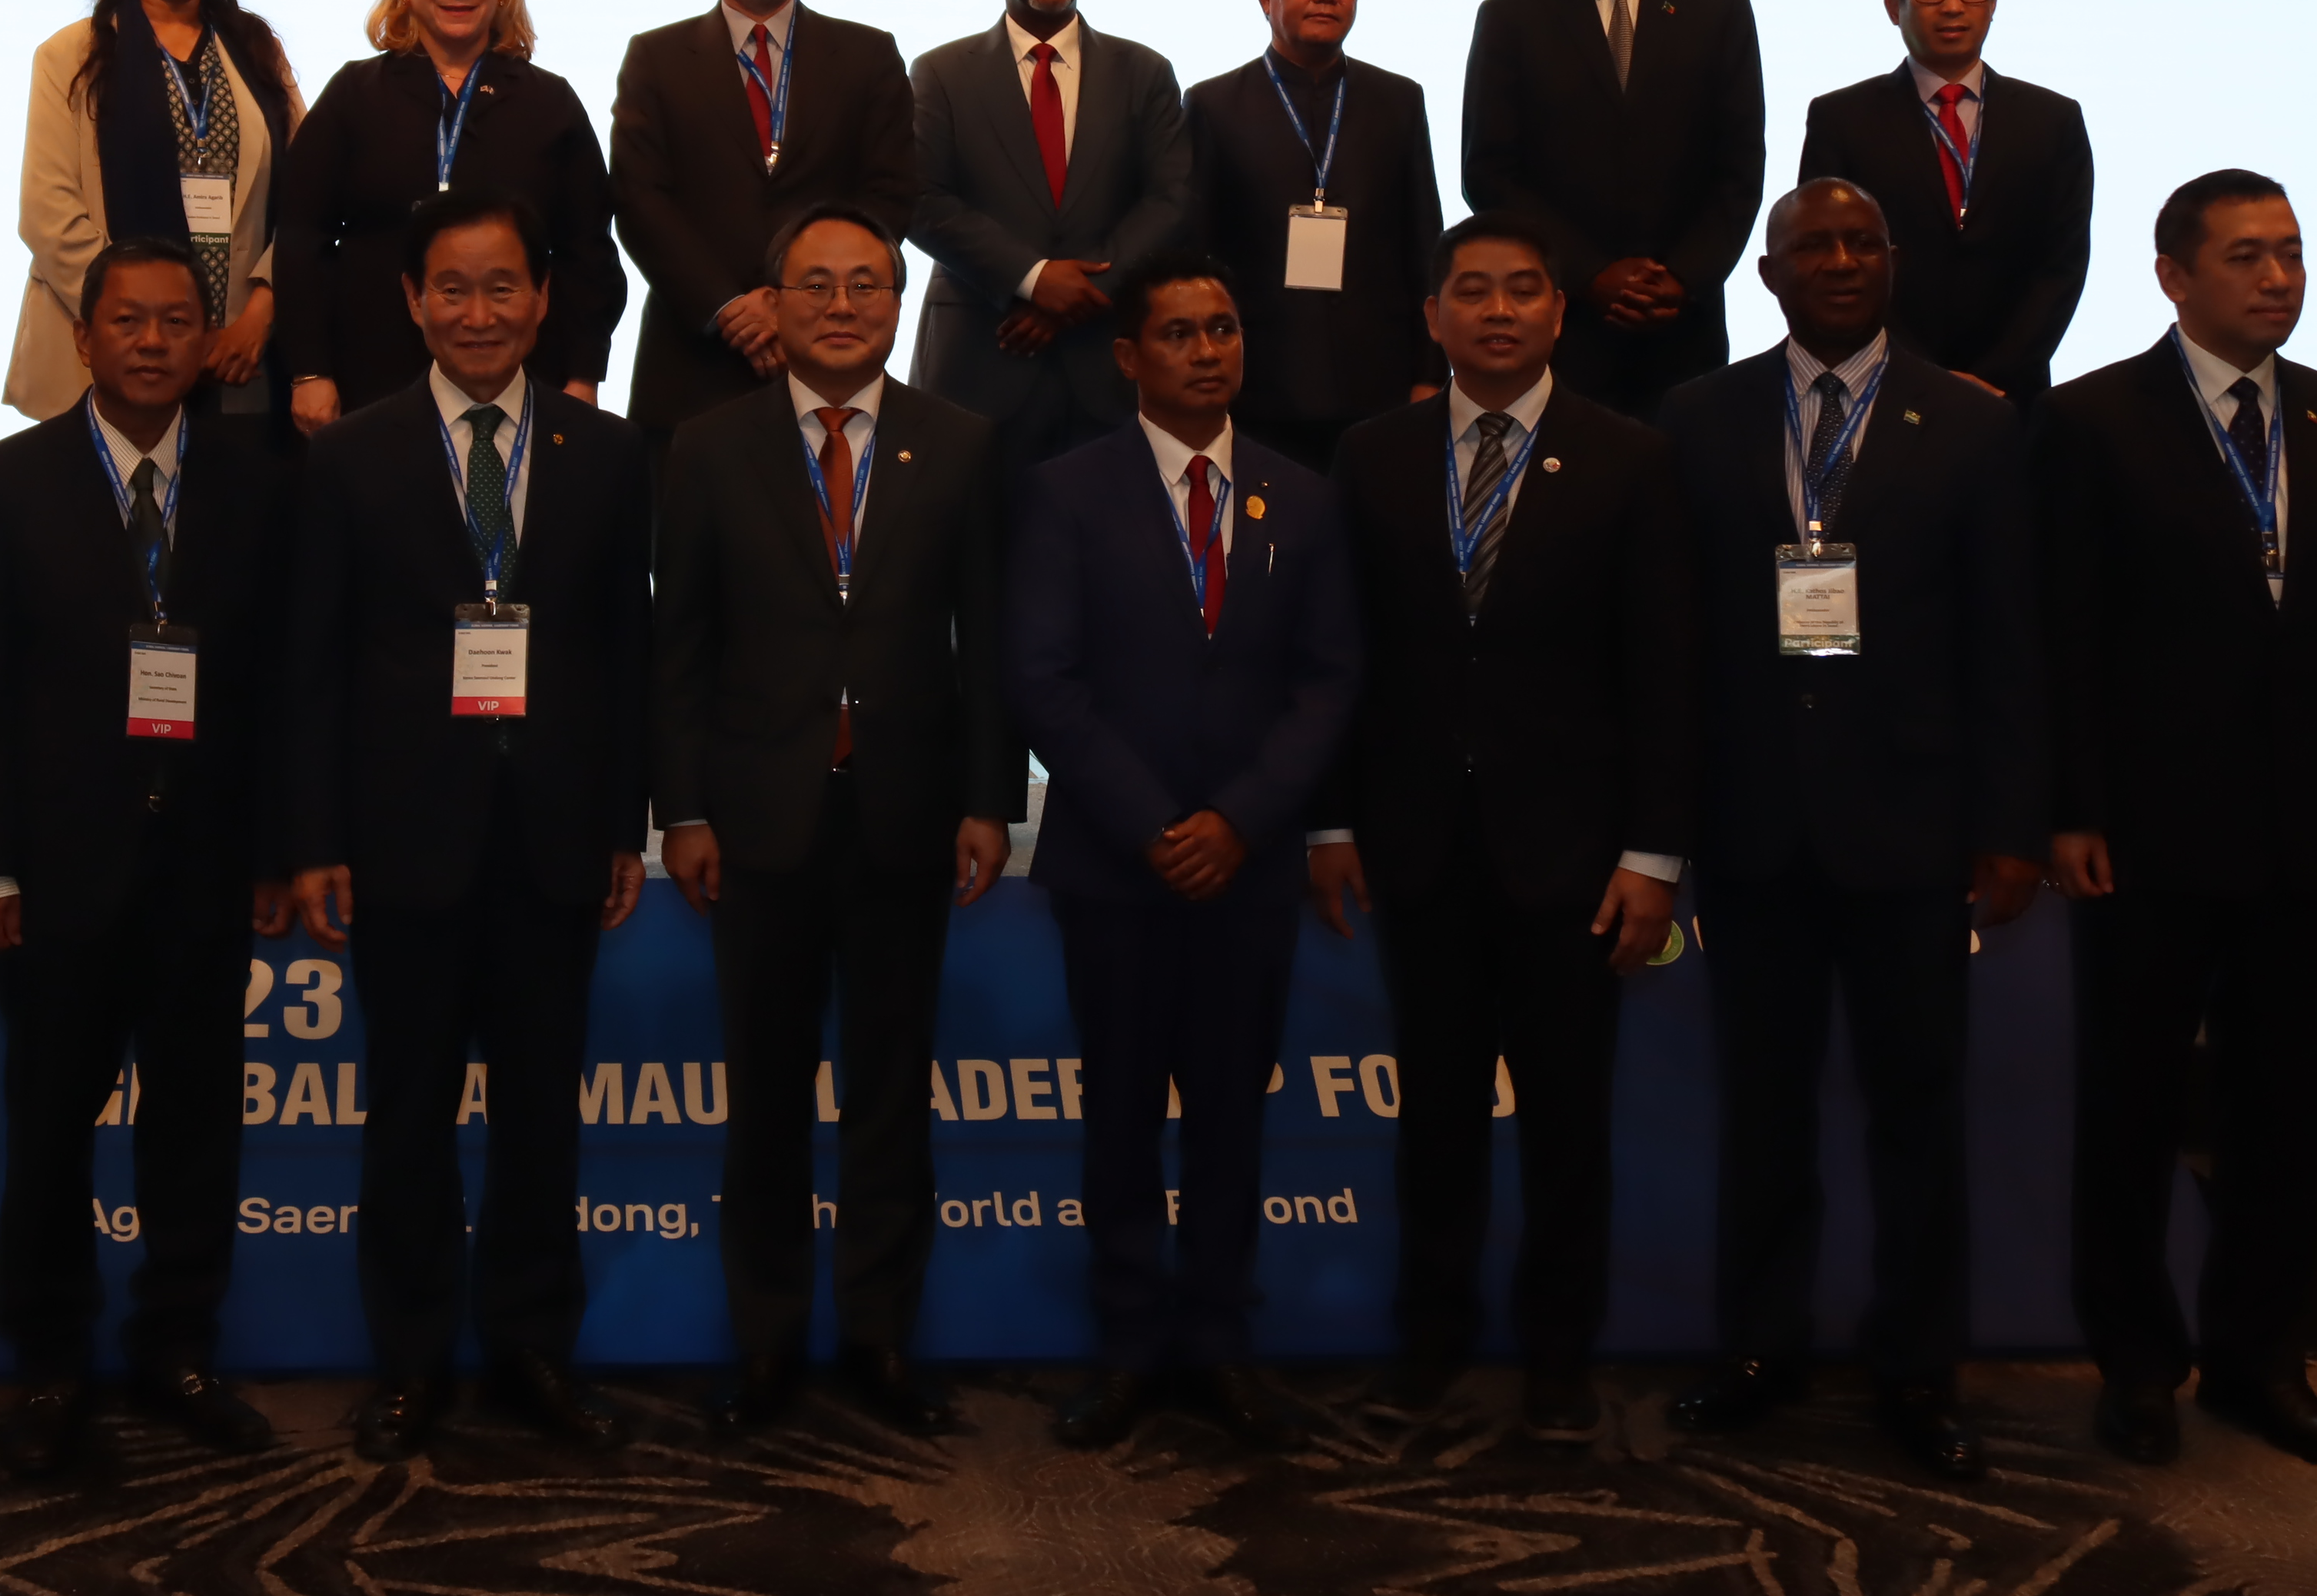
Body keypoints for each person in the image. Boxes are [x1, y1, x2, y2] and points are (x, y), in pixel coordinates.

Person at [1655, 181, 2048, 1482]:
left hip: (1914, 827)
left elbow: (2008, 640)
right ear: (1767, 275)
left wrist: (2009, 825)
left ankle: (1916, 1369)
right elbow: (1676, 641)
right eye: (1811, 245)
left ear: (1893, 262)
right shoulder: (1698, 417)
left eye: (1859, 243)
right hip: (1754, 825)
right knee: (1762, 1111)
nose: (1837, 261)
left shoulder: (1972, 423)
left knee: (1916, 1115)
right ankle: (1758, 1350)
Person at [2039, 171, 2317, 1471]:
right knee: (2130, 1108)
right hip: (2145, 834)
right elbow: (2065, 636)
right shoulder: (2090, 421)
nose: (2278, 278)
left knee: (2284, 1109)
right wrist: (2071, 808)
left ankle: (2260, 1360)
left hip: (2303, 829)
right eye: (2248, 255)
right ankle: (2137, 1364)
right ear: (2174, 276)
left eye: (2291, 254)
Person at [272, 190, 653, 1461]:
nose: (478, 313)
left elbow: (627, 650)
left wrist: (623, 821)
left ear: (542, 299)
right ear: (412, 301)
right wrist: (316, 838)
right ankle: (413, 1359)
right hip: (403, 842)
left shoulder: (609, 455)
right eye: (452, 288)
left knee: (544, 1113)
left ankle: (536, 1348)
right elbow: (312, 662)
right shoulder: (351, 455)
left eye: (502, 287)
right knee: (409, 1114)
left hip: (555, 836)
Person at [1311, 212, 1691, 1438]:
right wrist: (1330, 822)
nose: (1498, 311)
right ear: (1433, 316)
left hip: (1573, 858)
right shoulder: (1370, 455)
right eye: (1472, 291)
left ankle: (1559, 1358)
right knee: (1435, 1115)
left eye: (1523, 290)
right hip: (1416, 843)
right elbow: (1338, 656)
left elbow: (1663, 672)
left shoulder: (1630, 457)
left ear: (1558, 313)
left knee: (1570, 1121)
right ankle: (1430, 1341)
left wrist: (1652, 853)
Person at [652, 204, 1021, 1440]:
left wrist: (988, 799)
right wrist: (682, 809)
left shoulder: (960, 445)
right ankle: (765, 1341)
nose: (845, 304)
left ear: (900, 303)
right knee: (763, 1098)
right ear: (776, 303)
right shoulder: (710, 448)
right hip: (757, 822)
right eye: (817, 283)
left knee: (890, 1093)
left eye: (869, 282)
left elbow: (987, 644)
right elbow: (681, 647)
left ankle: (879, 1338)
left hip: (908, 814)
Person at [0, 236, 292, 1478]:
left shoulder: (263, 482)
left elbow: (283, 685)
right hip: (56, 874)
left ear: (208, 340)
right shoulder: (4, 482)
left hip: (206, 867)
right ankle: (51, 1362)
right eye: (128, 321)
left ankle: (177, 1349)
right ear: (84, 336)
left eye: (176, 321)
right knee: (50, 1128)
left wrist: (278, 848)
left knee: (197, 1125)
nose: (151, 342)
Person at [1008, 254, 1363, 1454]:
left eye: (1223, 329)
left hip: (1248, 867)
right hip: (1118, 866)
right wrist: (1157, 824)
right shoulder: (1064, 493)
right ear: (1129, 357)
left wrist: (1240, 820)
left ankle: (1219, 1340)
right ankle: (1126, 1345)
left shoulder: (1301, 497)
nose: (1208, 351)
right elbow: (1042, 680)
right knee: (1117, 1116)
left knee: (1229, 1117)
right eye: (1179, 333)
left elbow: (1328, 682)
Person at [276, 0, 626, 427]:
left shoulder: (550, 101)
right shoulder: (355, 93)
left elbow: (588, 252)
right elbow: (302, 238)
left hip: (523, 380)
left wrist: (583, 375)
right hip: (370, 377)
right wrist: (309, 372)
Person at [1461, 0, 1765, 417]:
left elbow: (1739, 167)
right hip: (1565, 328)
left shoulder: (1719, 5)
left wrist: (1683, 277)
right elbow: (1489, 174)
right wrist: (1587, 275)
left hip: (1684, 330)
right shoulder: (1510, 16)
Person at [610, 0, 919, 437]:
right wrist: (730, 309)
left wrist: (799, 300)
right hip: (693, 357)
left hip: (829, 347)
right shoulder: (656, 58)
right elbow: (640, 201)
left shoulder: (868, 55)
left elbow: (890, 194)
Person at [7, 0, 305, 420]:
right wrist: (151, 324)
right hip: (111, 349)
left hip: (241, 354)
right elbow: (48, 214)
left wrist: (261, 311)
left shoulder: (257, 48)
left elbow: (308, 197)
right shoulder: (71, 56)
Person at [907, 0, 1193, 465]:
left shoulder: (1144, 72)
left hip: (1107, 364)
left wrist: (1078, 295)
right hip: (979, 361)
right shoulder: (940, 73)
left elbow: (1170, 201)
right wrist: (1033, 279)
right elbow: (920, 200)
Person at [1181, 0, 1448, 467]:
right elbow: (1197, 258)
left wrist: (1429, 375)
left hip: (1378, 386)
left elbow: (1424, 246)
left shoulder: (1397, 101)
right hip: (1256, 387)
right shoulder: (1214, 105)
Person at [1796, 0, 2094, 407]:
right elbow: (1831, 260)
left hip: (2011, 395)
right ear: (1894, 7)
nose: (1953, 6)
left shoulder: (2052, 119)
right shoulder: (1842, 118)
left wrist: (1997, 376)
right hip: (1882, 387)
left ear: (1992, 2)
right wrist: (1919, 375)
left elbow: (2062, 265)